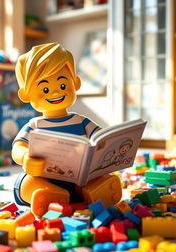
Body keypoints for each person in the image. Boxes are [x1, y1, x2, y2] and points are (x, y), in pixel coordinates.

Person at [12, 43, 122, 217]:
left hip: (79, 179)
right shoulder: (35, 125)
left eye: (63, 85)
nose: (55, 92)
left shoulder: (81, 121)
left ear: (76, 83)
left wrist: (110, 148)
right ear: (26, 94)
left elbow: (102, 138)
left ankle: (93, 191)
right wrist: (25, 157)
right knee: (27, 183)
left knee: (99, 177)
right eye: (45, 89)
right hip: (45, 178)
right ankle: (49, 196)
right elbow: (17, 147)